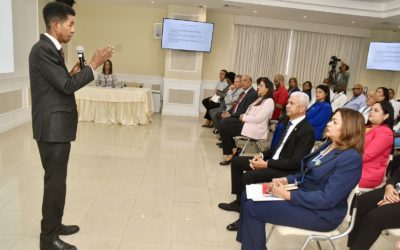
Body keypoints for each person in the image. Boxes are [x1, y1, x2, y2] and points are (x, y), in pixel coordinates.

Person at [29, 2, 113, 250]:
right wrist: (94, 64)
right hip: (51, 129)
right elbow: (66, 88)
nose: (73, 29)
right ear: (56, 25)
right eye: (70, 24)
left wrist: (73, 72)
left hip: (57, 127)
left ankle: (55, 224)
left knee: (58, 182)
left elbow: (61, 83)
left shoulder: (50, 49)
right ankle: (48, 239)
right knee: (54, 183)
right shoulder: (43, 49)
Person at [237, 108, 365, 250]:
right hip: (303, 195)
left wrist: (287, 195)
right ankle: (249, 244)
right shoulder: (330, 145)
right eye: (331, 120)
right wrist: (287, 180)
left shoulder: (351, 158)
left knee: (253, 208)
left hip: (321, 214)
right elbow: (308, 172)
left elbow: (327, 199)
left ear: (349, 128)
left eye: (334, 122)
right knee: (247, 194)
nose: (328, 124)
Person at [218, 92, 314, 221]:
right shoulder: (288, 123)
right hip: (274, 161)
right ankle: (239, 203)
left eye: (292, 103)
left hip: (285, 169)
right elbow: (276, 149)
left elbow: (295, 162)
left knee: (249, 176)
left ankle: (245, 217)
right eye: (288, 102)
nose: (287, 106)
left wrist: (266, 164)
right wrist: (261, 155)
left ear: (302, 109)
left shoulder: (306, 130)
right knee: (237, 162)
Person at [219, 78, 275, 165]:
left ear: (267, 89)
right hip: (248, 124)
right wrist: (243, 117)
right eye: (258, 85)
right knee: (223, 125)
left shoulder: (269, 101)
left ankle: (231, 153)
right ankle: (233, 150)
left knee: (225, 128)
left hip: (256, 128)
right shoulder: (260, 99)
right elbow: (249, 112)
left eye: (261, 86)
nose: (258, 87)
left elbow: (258, 119)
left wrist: (243, 117)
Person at [347, 164, 400, 250]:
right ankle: (353, 246)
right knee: (361, 202)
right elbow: (398, 173)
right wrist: (389, 186)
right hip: (396, 190)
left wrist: (396, 198)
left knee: (375, 217)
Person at [359, 101, 394, 188]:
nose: (371, 112)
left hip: (366, 173)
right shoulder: (367, 127)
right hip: (354, 165)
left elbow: (366, 155)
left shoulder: (385, 132)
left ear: (386, 116)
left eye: (376, 110)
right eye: (371, 109)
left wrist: (344, 157)